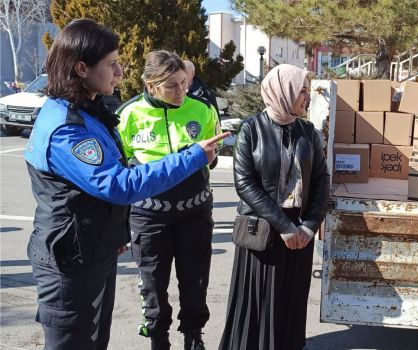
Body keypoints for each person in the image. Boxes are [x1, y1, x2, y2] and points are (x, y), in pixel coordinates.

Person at [23, 19, 226, 350]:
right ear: (81, 68)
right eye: (112, 64)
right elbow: (118, 183)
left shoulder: (87, 112)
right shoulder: (67, 128)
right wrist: (192, 157)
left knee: (93, 340)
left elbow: (102, 179)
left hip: (92, 247)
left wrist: (113, 229)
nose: (119, 73)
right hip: (71, 259)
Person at [218, 64, 330, 350]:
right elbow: (245, 185)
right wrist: (284, 226)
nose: (307, 96)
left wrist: (308, 225)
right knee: (257, 303)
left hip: (299, 234)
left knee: (290, 303)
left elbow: (320, 181)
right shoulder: (250, 130)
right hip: (264, 229)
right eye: (301, 90)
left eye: (307, 90)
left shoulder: (309, 132)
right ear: (284, 91)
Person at [117, 50, 224, 350]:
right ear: (151, 86)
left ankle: (193, 336)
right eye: (171, 86)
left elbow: (211, 160)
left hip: (195, 212)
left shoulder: (202, 109)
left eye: (183, 83)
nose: (181, 91)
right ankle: (157, 337)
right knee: (152, 283)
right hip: (148, 215)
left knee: (195, 279)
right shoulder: (128, 115)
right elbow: (121, 171)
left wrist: (210, 159)